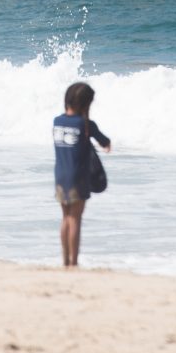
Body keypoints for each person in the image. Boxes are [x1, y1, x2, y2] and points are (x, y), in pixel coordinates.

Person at [52, 81, 111, 267]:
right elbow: (105, 142)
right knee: (75, 218)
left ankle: (65, 261)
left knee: (65, 218)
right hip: (78, 177)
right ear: (86, 104)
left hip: (60, 176)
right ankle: (74, 262)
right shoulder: (86, 125)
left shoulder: (57, 122)